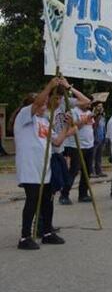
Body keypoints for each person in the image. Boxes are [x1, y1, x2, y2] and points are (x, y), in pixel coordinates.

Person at [14, 78, 73, 250]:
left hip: (44, 168)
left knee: (47, 200)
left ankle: (47, 232)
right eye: (42, 103)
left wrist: (67, 127)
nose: (44, 105)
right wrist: (50, 86)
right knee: (32, 200)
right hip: (30, 168)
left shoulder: (45, 121)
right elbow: (39, 100)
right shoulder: (25, 116)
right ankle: (24, 237)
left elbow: (57, 141)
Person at [58, 84, 93, 205]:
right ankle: (64, 194)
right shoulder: (73, 110)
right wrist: (84, 120)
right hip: (76, 145)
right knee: (73, 170)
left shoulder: (89, 112)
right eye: (87, 103)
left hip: (89, 145)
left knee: (87, 171)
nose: (89, 104)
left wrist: (96, 116)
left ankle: (83, 194)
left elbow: (93, 125)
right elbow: (74, 125)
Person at [91, 101, 107, 178]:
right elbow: (94, 126)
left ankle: (99, 170)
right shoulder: (93, 116)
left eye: (101, 106)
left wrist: (105, 136)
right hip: (95, 138)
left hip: (101, 137)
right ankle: (92, 171)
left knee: (99, 156)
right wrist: (97, 115)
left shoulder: (103, 116)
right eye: (98, 106)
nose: (100, 108)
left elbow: (104, 127)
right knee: (93, 156)